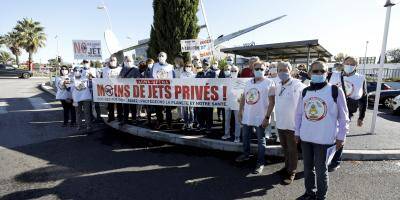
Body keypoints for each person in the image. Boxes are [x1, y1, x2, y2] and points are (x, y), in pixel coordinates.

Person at [295, 61, 349, 200]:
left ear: (327, 73)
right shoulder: (305, 91)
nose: (319, 74)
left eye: (322, 71)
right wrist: (297, 133)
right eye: (315, 71)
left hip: (324, 139)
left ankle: (321, 196)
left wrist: (341, 136)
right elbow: (299, 114)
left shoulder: (335, 91)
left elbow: (344, 117)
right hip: (306, 138)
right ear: (309, 74)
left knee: (321, 170)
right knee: (307, 169)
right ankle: (309, 192)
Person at [328, 56, 367, 172]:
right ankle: (325, 158)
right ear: (343, 63)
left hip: (347, 111)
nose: (349, 65)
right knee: (328, 134)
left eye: (352, 63)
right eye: (347, 63)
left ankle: (335, 161)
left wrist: (361, 116)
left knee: (340, 135)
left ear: (356, 65)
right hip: (330, 110)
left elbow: (364, 98)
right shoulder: (333, 75)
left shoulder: (361, 78)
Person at [236, 62, 276, 174]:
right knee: (245, 137)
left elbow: (272, 102)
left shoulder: (270, 82)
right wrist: (240, 111)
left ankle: (260, 162)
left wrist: (267, 117)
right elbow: (243, 97)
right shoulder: (248, 82)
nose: (259, 70)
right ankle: (246, 154)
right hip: (248, 116)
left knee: (261, 140)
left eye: (261, 68)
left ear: (265, 70)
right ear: (252, 70)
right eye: (256, 68)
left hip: (261, 116)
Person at [274, 61, 306, 185]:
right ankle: (286, 167)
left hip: (293, 125)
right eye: (280, 70)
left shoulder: (298, 85)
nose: (282, 72)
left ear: (290, 70)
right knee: (285, 148)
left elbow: (304, 102)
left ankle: (291, 172)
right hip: (281, 123)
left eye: (285, 69)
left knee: (292, 150)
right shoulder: (277, 85)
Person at [151, 52, 175, 129]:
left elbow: (173, 78)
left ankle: (169, 123)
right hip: (157, 90)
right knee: (158, 108)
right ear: (158, 57)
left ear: (166, 57)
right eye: (160, 56)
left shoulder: (171, 66)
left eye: (163, 56)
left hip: (167, 90)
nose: (161, 57)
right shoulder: (154, 66)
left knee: (168, 108)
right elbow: (151, 77)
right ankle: (159, 121)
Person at [220, 65, 241, 143]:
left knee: (237, 121)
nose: (233, 72)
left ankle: (237, 136)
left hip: (236, 103)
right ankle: (227, 134)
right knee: (227, 119)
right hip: (227, 102)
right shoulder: (226, 80)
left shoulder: (240, 81)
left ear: (238, 71)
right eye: (232, 71)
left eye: (235, 71)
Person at [119, 55, 140, 125]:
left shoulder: (136, 69)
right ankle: (125, 120)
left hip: (133, 90)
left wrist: (133, 80)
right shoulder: (123, 69)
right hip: (125, 90)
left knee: (133, 106)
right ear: (125, 62)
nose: (128, 62)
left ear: (133, 61)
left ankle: (134, 119)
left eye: (130, 61)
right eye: (127, 61)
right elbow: (120, 78)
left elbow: (139, 80)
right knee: (125, 106)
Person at [71, 66, 93, 131]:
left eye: (79, 71)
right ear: (73, 71)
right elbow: (70, 90)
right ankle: (79, 125)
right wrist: (73, 99)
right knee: (78, 112)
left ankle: (88, 125)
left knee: (87, 112)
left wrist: (91, 76)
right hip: (76, 99)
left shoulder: (85, 78)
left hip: (86, 98)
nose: (77, 72)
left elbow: (91, 84)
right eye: (76, 70)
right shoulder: (71, 79)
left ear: (81, 71)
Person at [102, 56, 123, 122]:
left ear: (116, 61)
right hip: (109, 89)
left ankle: (120, 117)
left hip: (119, 89)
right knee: (110, 104)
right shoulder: (105, 69)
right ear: (109, 61)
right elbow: (102, 79)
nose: (112, 61)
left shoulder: (120, 69)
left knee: (119, 104)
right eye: (111, 60)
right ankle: (111, 117)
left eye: (114, 60)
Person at [203, 59, 217, 134]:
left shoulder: (213, 73)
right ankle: (202, 125)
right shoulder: (199, 73)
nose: (205, 66)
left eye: (207, 64)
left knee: (209, 112)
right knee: (202, 111)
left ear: (209, 65)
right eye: (204, 64)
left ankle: (209, 126)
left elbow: (213, 82)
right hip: (201, 95)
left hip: (209, 95)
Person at [181, 62, 195, 130]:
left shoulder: (194, 75)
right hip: (184, 94)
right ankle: (186, 122)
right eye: (187, 66)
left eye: (189, 66)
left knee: (191, 109)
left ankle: (191, 123)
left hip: (192, 94)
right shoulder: (182, 75)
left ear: (192, 67)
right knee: (185, 109)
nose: (188, 67)